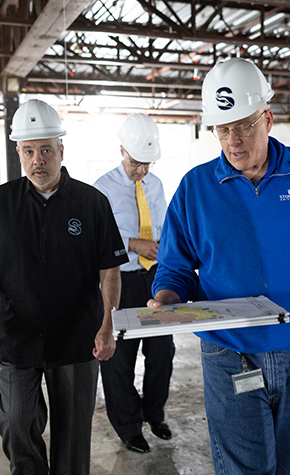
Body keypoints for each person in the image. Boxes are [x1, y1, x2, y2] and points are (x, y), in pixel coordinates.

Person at [149, 57, 290, 475]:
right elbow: (175, 268)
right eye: (223, 129)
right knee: (246, 470)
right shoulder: (195, 189)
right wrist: (167, 303)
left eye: (244, 126)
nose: (233, 140)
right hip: (229, 354)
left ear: (268, 119)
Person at [0, 99, 128, 474]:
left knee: (73, 437)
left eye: (46, 150)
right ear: (18, 152)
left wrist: (108, 323)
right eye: (29, 151)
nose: (39, 160)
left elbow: (110, 271)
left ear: (61, 150)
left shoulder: (91, 203)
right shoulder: (1, 202)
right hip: (16, 338)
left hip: (76, 339)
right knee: (17, 425)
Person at [93, 114, 174, 454]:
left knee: (161, 353)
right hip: (119, 281)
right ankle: (128, 426)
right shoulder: (102, 188)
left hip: (154, 278)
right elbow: (95, 239)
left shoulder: (154, 185)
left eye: (148, 164)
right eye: (136, 162)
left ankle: (153, 413)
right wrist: (134, 244)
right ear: (122, 150)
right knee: (119, 359)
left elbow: (163, 224)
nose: (142, 170)